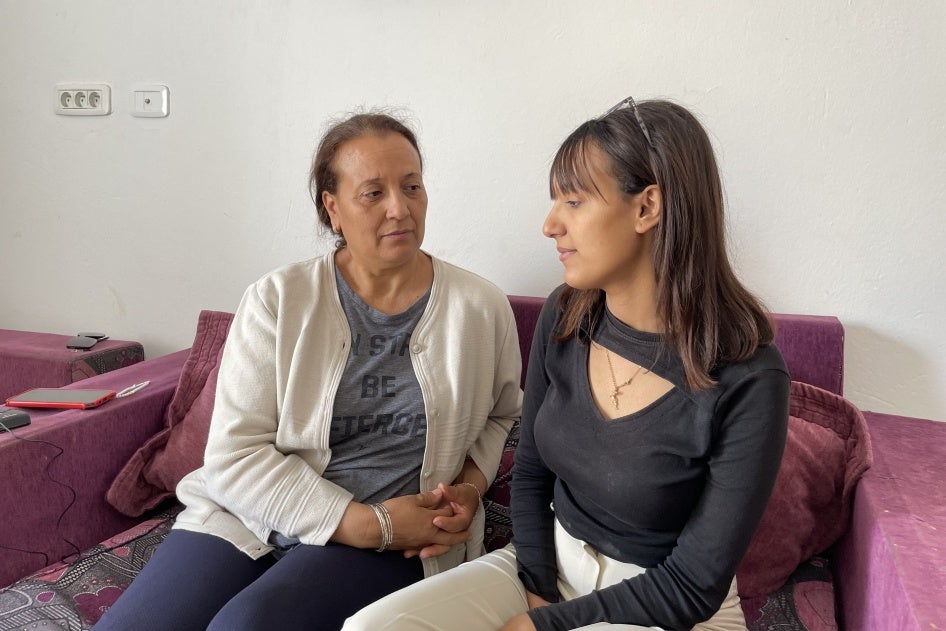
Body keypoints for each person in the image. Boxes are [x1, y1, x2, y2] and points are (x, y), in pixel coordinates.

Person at [343, 98, 791, 631]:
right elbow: (531, 471)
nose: (550, 224)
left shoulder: (750, 376)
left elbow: (694, 583)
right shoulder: (566, 315)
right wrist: (536, 588)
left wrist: (541, 627)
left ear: (648, 208)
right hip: (549, 564)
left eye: (574, 202)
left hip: (662, 603)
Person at [95, 112, 523, 631]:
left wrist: (470, 490)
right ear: (333, 208)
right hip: (252, 517)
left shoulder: (479, 307)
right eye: (373, 193)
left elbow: (502, 415)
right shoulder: (278, 300)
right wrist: (369, 526)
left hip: (404, 535)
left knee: (247, 626)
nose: (400, 208)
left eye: (412, 186)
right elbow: (234, 455)